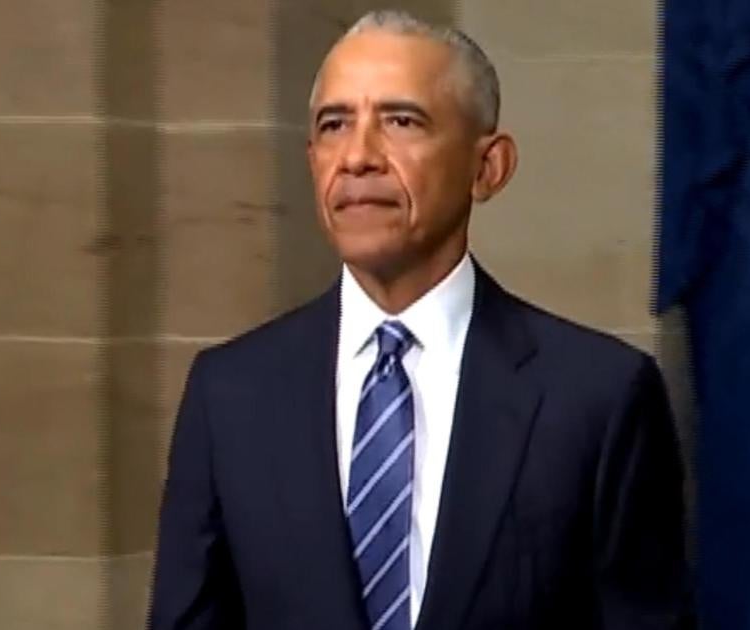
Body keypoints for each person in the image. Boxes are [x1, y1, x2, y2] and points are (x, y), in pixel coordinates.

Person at [147, 9, 689, 630]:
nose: (357, 157)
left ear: (488, 168)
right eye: (334, 125)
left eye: (400, 121)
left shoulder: (599, 397)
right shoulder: (231, 393)